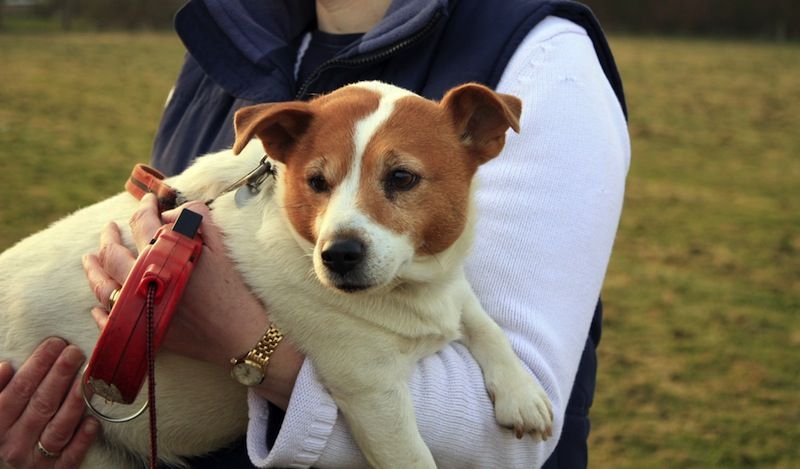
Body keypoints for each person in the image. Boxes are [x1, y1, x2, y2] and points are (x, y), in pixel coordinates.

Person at [0, 0, 629, 467]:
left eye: (402, 181)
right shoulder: (221, 38)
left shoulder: (543, 60)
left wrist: (248, 342)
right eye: (321, 185)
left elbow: (512, 440)